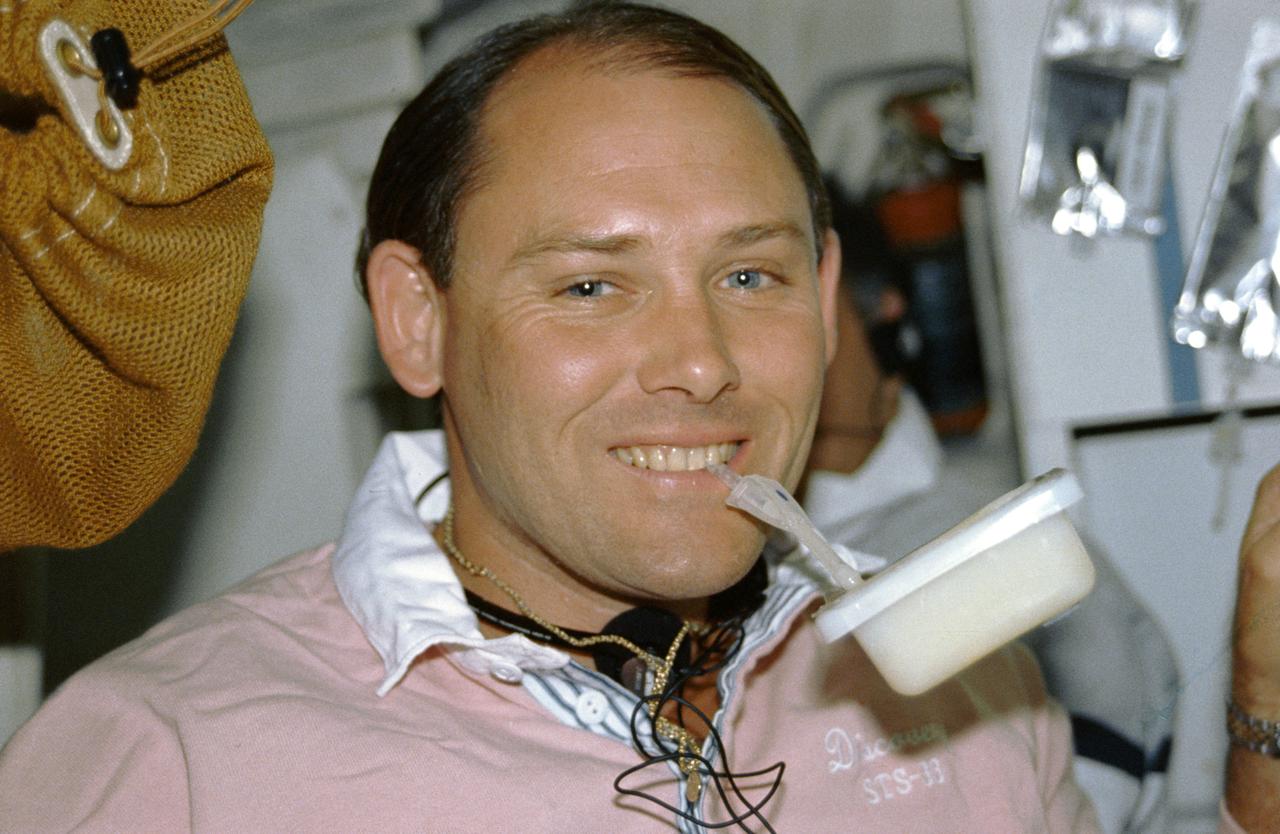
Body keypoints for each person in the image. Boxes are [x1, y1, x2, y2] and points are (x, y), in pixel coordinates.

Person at [0, 3, 1272, 831]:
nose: (701, 365)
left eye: (749, 276)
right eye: (591, 285)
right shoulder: (167, 767)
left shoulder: (970, 679)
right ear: (419, 320)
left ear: (827, 301)